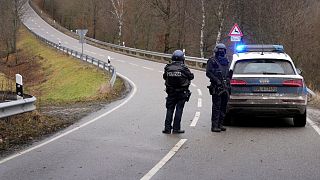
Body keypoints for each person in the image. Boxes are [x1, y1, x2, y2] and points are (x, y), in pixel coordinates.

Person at [163, 50, 194, 134]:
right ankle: (176, 129)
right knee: (179, 109)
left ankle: (167, 128)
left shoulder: (168, 67)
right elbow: (191, 76)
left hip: (171, 92)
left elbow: (164, 77)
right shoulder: (184, 68)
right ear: (182, 58)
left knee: (169, 109)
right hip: (182, 92)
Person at [206, 43, 232, 132]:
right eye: (220, 51)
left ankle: (220, 124)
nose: (221, 53)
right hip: (216, 87)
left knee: (223, 106)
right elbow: (208, 73)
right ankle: (214, 126)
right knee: (216, 106)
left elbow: (228, 72)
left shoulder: (226, 61)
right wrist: (216, 80)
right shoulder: (212, 60)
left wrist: (228, 79)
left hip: (225, 87)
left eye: (223, 51)